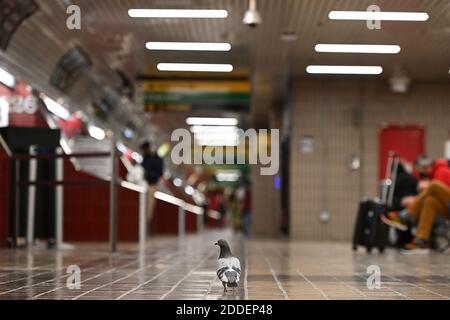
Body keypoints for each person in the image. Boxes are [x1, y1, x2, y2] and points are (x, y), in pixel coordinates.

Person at [382, 155, 450, 254]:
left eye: (420, 170)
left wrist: (418, 196)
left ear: (427, 167)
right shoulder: (435, 174)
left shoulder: (442, 171)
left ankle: (405, 216)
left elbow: (439, 191)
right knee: (430, 201)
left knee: (434, 185)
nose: (420, 173)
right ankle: (421, 242)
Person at [140, 141, 164, 231]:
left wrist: (150, 175)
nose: (144, 151)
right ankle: (143, 225)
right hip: (143, 185)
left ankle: (146, 226)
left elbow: (160, 172)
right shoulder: (144, 158)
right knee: (143, 205)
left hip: (152, 185)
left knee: (150, 206)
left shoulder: (156, 158)